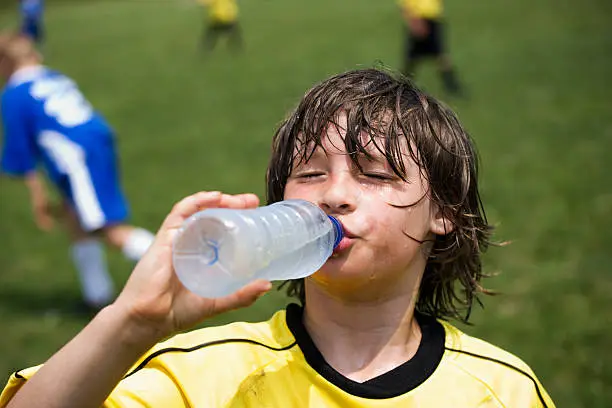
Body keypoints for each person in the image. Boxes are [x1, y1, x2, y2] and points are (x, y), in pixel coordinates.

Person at [0, 68, 555, 407]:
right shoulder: (205, 376)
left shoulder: (502, 391)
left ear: (445, 213)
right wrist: (131, 323)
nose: (334, 194)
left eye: (376, 173)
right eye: (310, 173)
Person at [0, 32, 155, 310]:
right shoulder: (52, 76)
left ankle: (184, 266)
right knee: (75, 219)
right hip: (97, 142)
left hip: (76, 158)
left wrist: (37, 197)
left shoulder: (14, 94)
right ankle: (97, 295)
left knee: (108, 229)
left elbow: (22, 153)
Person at [399, 0, 463, 95]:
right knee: (413, 58)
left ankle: (452, 86)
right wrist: (415, 23)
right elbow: (406, 6)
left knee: (440, 56)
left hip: (433, 21)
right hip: (421, 21)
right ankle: (401, 85)